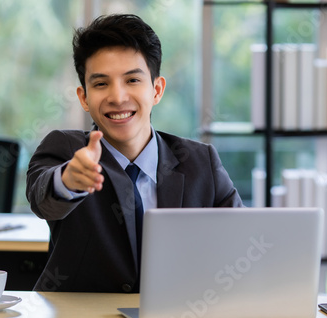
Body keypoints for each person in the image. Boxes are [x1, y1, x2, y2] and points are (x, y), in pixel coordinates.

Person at [26, 13, 243, 293]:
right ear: (84, 97)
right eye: (101, 83)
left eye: (132, 80)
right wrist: (68, 181)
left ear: (157, 90)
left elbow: (241, 241)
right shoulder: (66, 149)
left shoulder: (202, 163)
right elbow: (43, 200)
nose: (117, 97)